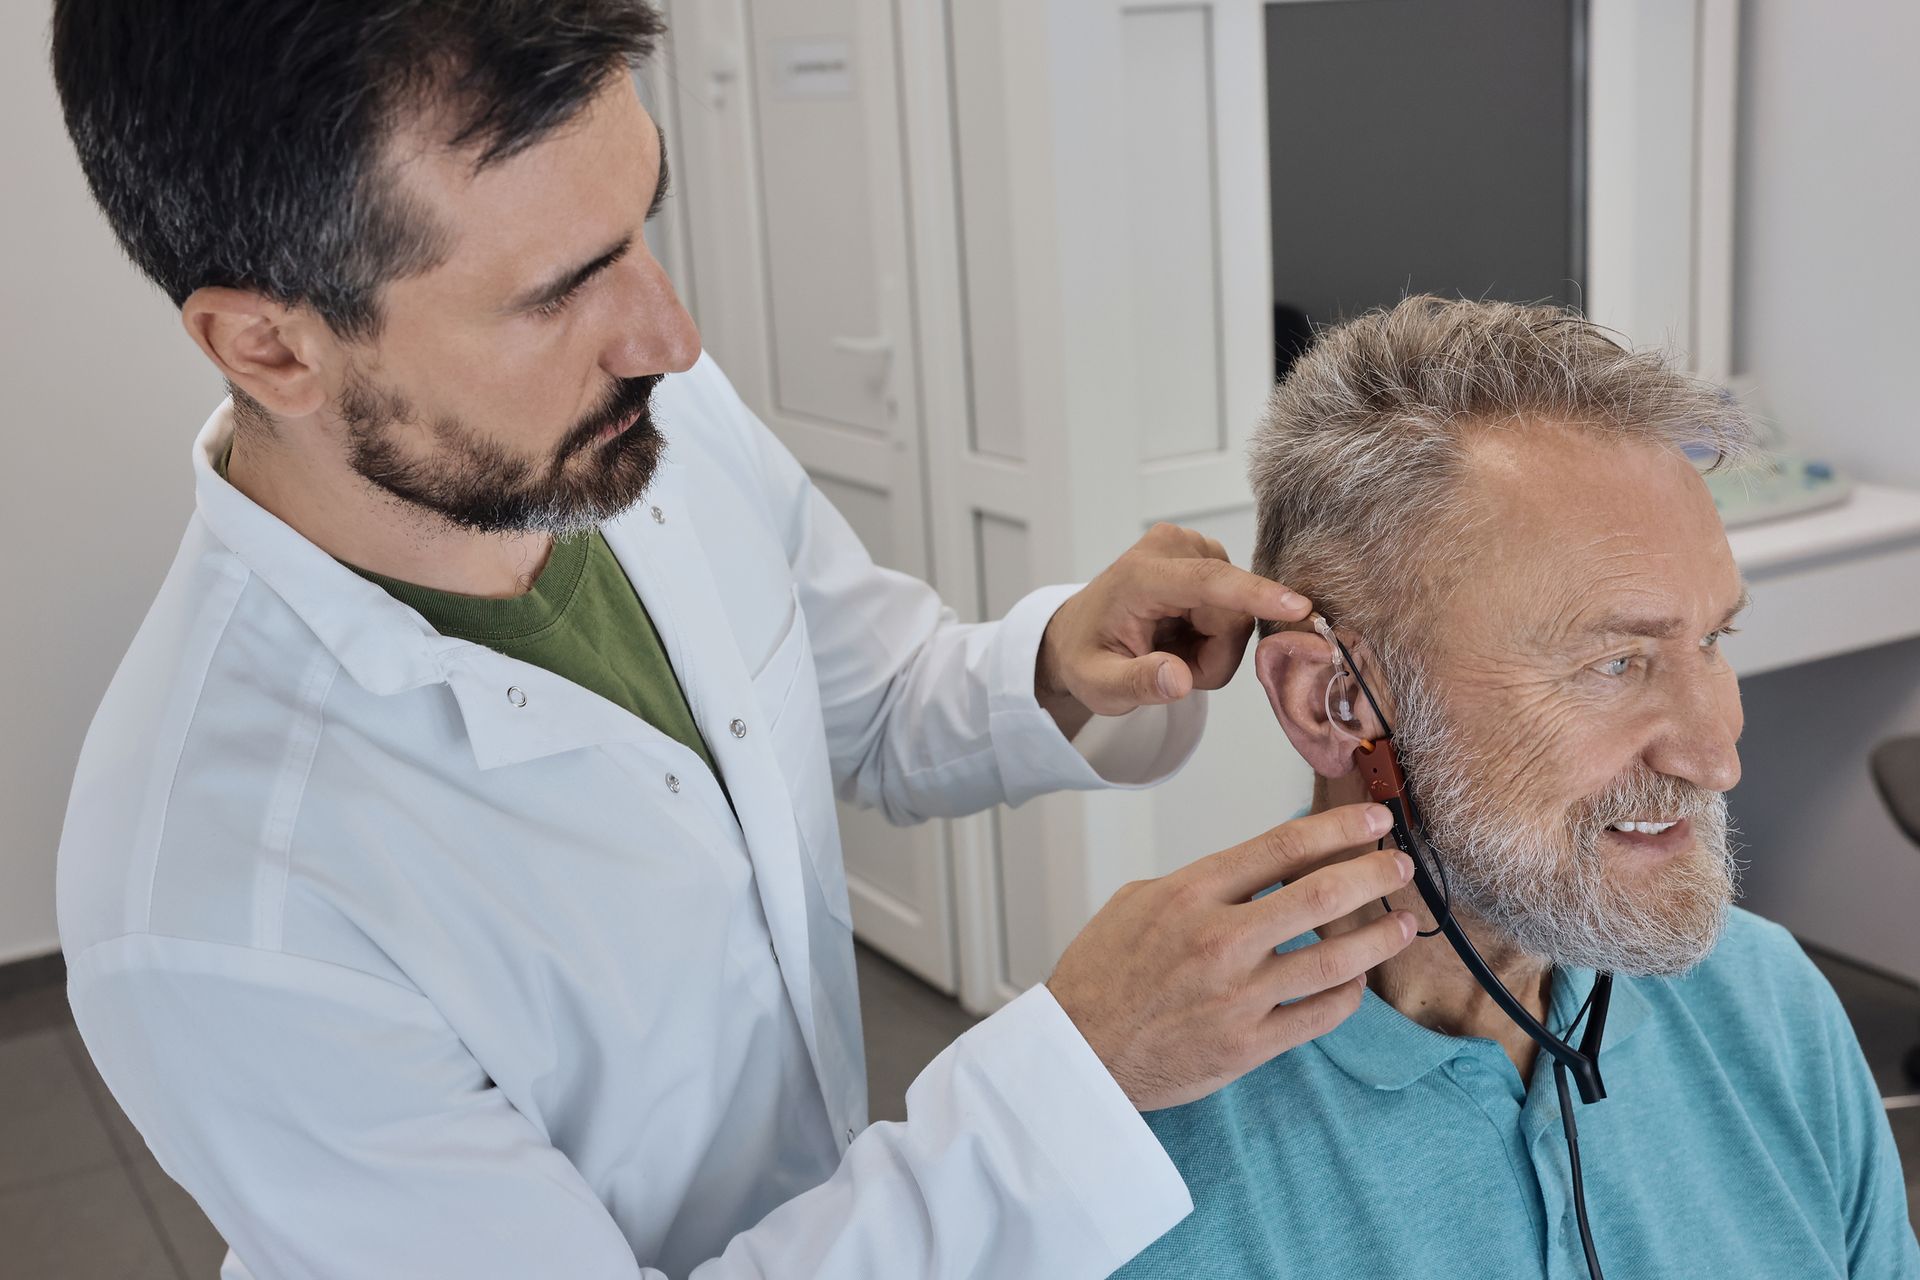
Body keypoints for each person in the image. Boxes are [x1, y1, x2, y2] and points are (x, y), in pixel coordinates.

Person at [48, 3, 1421, 1277]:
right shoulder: (220, 903)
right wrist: (1080, 1080)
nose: (672, 335)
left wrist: (1053, 661)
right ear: (269, 347)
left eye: (642, 220)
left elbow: (868, 697)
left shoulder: (636, 430)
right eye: (555, 291)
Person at [1117, 296, 1920, 1279]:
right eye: (1615, 663)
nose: (1717, 758)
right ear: (1334, 698)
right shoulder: (1134, 1148)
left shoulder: (1771, 1004)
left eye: (1713, 638)